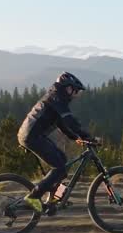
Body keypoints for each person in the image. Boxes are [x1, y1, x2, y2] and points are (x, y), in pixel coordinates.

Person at [16, 72, 95, 213]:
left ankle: (54, 198)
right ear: (67, 88)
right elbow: (69, 120)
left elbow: (62, 125)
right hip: (31, 136)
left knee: (63, 162)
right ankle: (33, 197)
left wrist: (77, 137)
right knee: (59, 168)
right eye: (74, 91)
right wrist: (87, 136)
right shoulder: (56, 98)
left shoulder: (57, 99)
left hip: (33, 135)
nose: (75, 95)